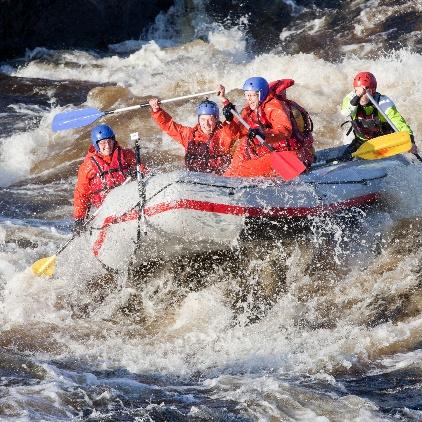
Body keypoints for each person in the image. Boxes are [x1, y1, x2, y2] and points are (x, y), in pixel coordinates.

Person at [220, 76, 314, 177]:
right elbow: (234, 135)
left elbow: (285, 130)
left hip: (291, 154)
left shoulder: (273, 106)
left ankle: (235, 176)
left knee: (243, 168)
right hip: (271, 151)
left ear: (261, 95)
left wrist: (263, 134)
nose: (249, 99)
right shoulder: (250, 109)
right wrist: (229, 121)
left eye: (252, 95)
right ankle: (229, 176)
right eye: (247, 95)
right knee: (244, 142)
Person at [148, 90, 240, 175]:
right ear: (198, 120)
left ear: (216, 119)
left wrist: (224, 100)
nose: (206, 124)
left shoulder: (224, 133)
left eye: (210, 120)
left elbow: (236, 122)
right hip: (195, 179)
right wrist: (157, 110)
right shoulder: (189, 135)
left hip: (219, 180)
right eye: (203, 119)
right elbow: (168, 125)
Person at [73, 124, 143, 234]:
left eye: (109, 141)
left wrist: (137, 173)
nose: (107, 146)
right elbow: (81, 194)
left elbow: (144, 171)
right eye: (102, 143)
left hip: (129, 203)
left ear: (114, 141)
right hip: (106, 210)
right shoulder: (87, 167)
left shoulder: (126, 155)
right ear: (96, 145)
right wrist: (79, 218)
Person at [340, 71, 414, 160]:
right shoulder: (351, 99)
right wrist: (357, 96)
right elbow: (345, 112)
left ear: (373, 91)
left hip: (385, 143)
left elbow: (399, 123)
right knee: (343, 159)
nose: (363, 95)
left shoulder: (383, 102)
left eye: (366, 91)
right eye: (358, 90)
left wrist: (411, 141)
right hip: (362, 142)